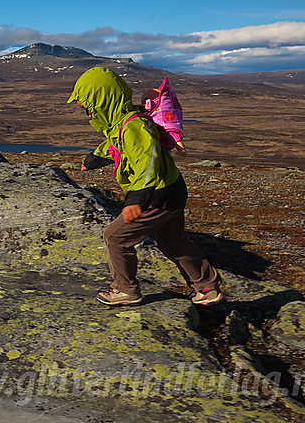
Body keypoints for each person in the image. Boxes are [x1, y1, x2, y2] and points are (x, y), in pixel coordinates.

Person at [67, 66, 224, 306]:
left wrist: (136, 200)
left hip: (156, 195)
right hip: (171, 189)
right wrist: (92, 160)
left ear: (104, 101)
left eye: (89, 107)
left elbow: (147, 159)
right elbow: (115, 146)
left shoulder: (133, 126)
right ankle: (208, 287)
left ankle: (125, 290)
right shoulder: (123, 122)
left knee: (115, 237)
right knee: (173, 242)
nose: (88, 114)